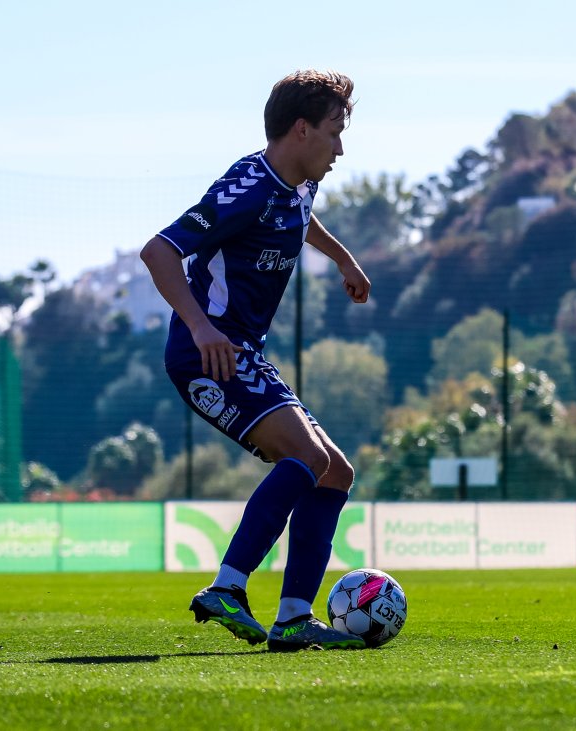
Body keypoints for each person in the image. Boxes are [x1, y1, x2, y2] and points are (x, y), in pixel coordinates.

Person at [140, 69, 371, 651]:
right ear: (301, 130)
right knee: (308, 456)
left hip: (244, 351)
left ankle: (293, 618)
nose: (340, 149)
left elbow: (301, 217)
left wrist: (343, 259)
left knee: (335, 471)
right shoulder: (245, 189)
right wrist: (201, 327)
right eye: (335, 133)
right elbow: (159, 251)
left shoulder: (299, 183)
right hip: (207, 355)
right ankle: (227, 587)